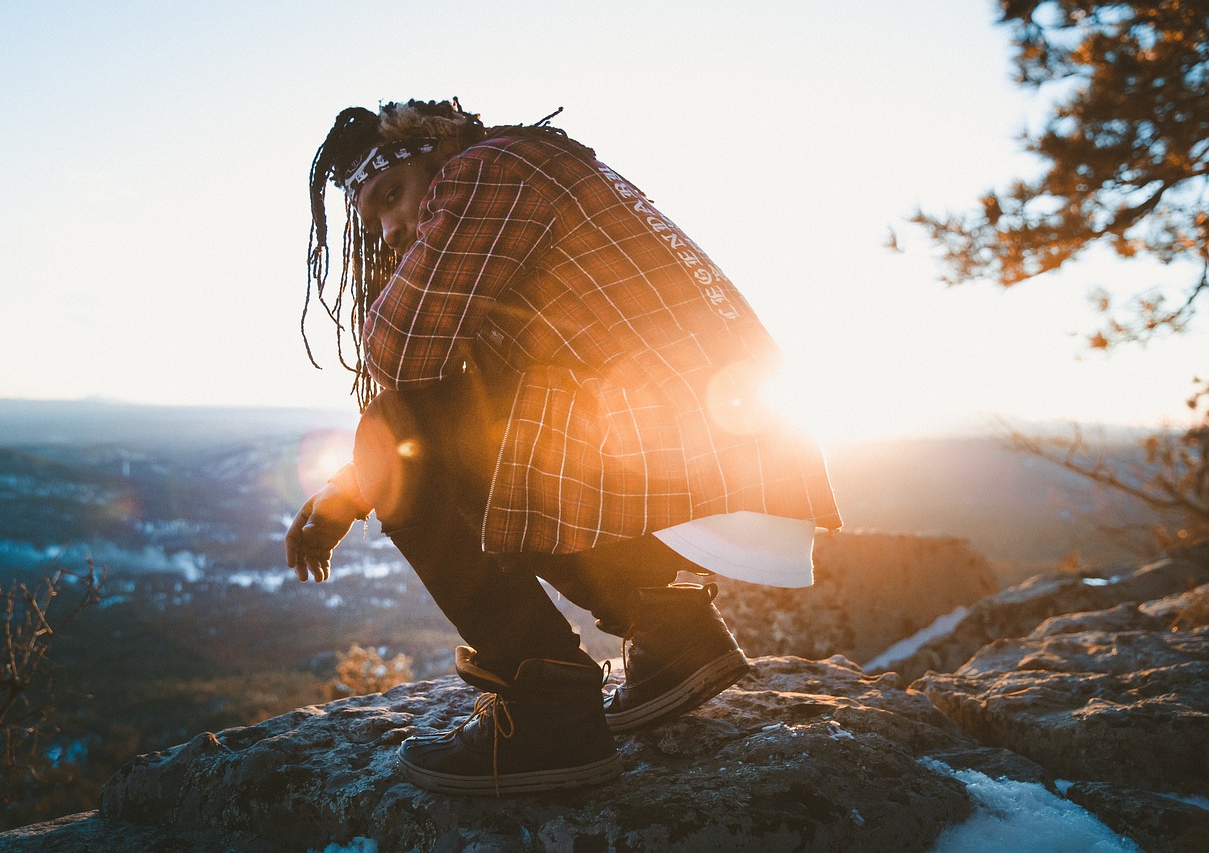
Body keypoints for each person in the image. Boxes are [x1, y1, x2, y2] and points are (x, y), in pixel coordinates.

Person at [285, 99, 841, 796]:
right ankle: (671, 631)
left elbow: (401, 356)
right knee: (467, 413)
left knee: (396, 422)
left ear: (432, 149)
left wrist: (352, 486)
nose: (392, 229)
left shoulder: (485, 171)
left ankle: (545, 706)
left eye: (392, 196)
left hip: (693, 450)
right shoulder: (525, 166)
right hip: (729, 450)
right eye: (374, 222)